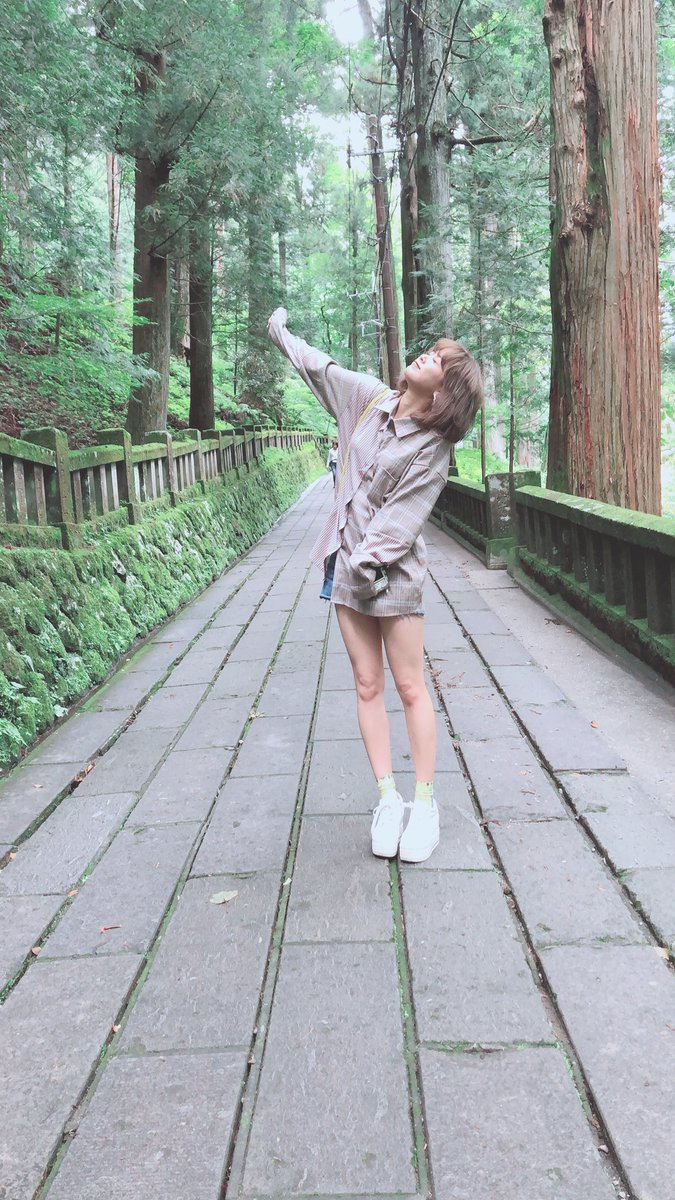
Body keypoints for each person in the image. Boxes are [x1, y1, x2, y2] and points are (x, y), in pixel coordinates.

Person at [267, 307, 482, 863]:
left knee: (409, 686)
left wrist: (363, 566)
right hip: (344, 565)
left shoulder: (432, 447)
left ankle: (425, 805)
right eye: (433, 351)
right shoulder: (368, 400)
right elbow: (321, 370)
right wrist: (282, 332)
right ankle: (388, 799)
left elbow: (401, 519)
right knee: (367, 684)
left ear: (447, 393)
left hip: (393, 575)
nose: (428, 356)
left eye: (441, 361)